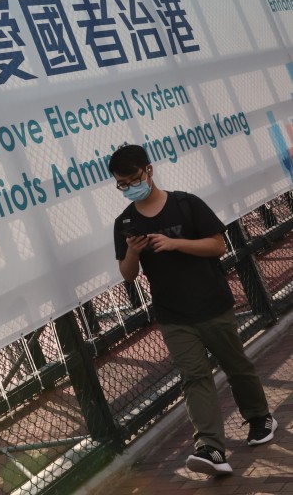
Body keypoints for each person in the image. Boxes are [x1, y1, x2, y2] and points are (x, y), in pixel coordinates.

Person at [109, 144, 277, 476]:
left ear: (149, 171)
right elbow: (127, 274)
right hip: (173, 315)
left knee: (236, 365)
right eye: (122, 184)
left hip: (212, 304)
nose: (129, 188)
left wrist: (175, 244)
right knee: (195, 377)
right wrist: (132, 252)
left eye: (133, 179)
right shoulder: (125, 222)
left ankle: (259, 418)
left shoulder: (186, 204)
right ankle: (211, 448)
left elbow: (217, 245)